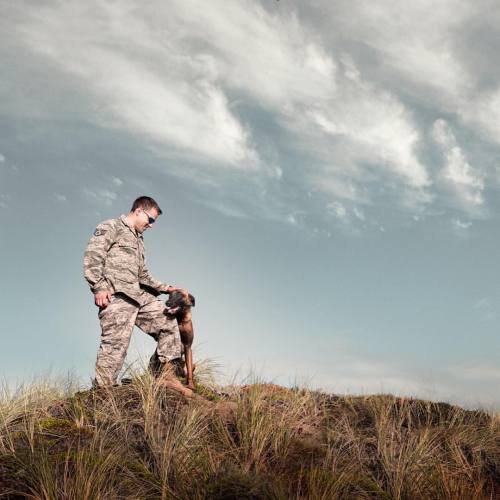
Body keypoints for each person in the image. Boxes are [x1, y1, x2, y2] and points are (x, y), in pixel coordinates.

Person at [83, 195, 191, 393]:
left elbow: (144, 276)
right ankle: (102, 394)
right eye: (150, 220)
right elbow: (93, 257)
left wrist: (167, 288)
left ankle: (160, 379)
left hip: (140, 297)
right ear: (139, 211)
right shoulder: (111, 226)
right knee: (115, 347)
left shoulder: (139, 241)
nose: (151, 225)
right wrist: (99, 287)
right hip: (117, 297)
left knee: (168, 322)